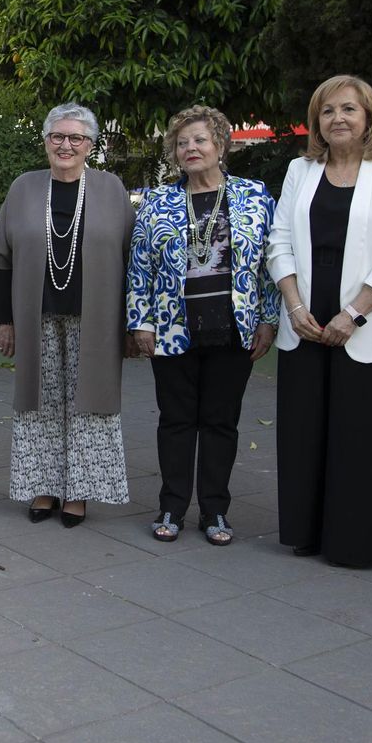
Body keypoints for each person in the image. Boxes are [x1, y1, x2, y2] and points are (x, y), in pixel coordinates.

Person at [267, 74, 372, 568]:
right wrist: (293, 306)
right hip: (305, 320)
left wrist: (353, 315)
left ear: (368, 117)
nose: (338, 119)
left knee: (359, 439)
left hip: (364, 325)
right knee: (303, 431)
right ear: (317, 121)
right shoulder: (299, 170)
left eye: (349, 109)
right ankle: (306, 533)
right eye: (328, 111)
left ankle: (356, 543)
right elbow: (279, 242)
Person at [127, 106, 279, 546]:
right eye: (182, 142)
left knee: (220, 422)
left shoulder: (254, 197)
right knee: (175, 420)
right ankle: (172, 506)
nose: (191, 148)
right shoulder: (158, 202)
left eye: (200, 140)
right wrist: (141, 322)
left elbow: (269, 265)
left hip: (233, 329)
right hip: (174, 329)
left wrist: (268, 319)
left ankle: (215, 511)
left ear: (221, 146)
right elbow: (140, 268)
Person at [0, 104, 133, 527]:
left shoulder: (111, 189)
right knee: (41, 403)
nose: (66, 145)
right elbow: (2, 258)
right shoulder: (24, 187)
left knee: (90, 404)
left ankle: (80, 492)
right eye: (58, 136)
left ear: (90, 145)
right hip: (37, 316)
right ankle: (44, 486)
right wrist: (4, 320)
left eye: (76, 138)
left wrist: (132, 324)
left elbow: (131, 259)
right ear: (46, 140)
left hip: (98, 319)